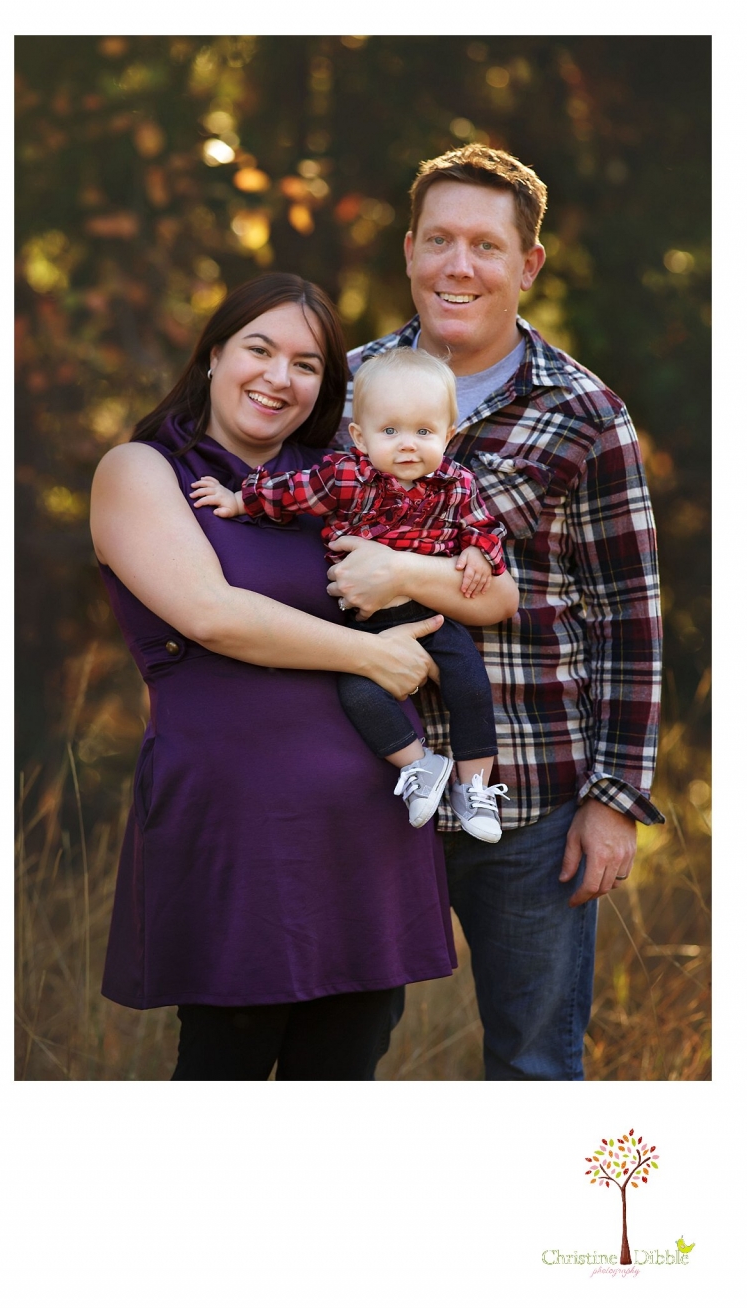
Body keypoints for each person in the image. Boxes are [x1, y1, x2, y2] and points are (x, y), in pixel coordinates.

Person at [89, 271, 518, 1081]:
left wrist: (405, 569)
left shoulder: (348, 476)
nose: (279, 378)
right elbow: (212, 615)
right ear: (214, 354)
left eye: (307, 364)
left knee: (346, 1071)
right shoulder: (144, 472)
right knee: (229, 1066)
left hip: (372, 822)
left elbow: (500, 595)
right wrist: (370, 653)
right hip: (241, 826)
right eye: (259, 348)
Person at [327, 146, 665, 1081]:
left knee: (533, 1064)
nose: (457, 266)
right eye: (438, 240)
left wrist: (614, 798)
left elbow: (628, 617)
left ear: (528, 265)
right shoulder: (342, 387)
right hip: (361, 783)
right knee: (334, 1057)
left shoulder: (584, 412)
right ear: (408, 251)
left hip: (531, 796)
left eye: (484, 244)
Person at [189, 347, 515, 842]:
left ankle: (475, 790)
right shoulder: (344, 477)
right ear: (361, 437)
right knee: (358, 694)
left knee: (470, 685)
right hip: (365, 622)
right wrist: (239, 499)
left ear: (448, 435)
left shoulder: (457, 485)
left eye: (424, 432)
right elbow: (289, 492)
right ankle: (421, 766)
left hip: (433, 616)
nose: (408, 445)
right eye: (390, 432)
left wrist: (478, 553)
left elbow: (485, 529)